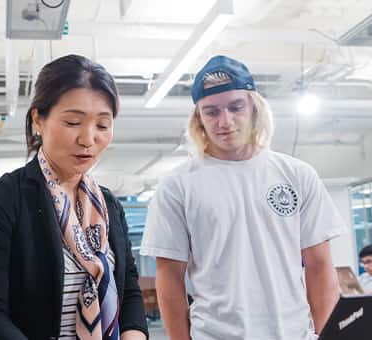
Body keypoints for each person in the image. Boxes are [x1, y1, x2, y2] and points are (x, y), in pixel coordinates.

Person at [140, 55, 344, 340]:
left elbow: (319, 266)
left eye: (236, 107)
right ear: (198, 118)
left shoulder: (297, 175)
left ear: (254, 109)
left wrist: (328, 336)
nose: (225, 121)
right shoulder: (178, 187)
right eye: (211, 112)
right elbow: (170, 277)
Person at [0, 54, 148, 340]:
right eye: (73, 122)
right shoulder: (2, 200)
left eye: (102, 125)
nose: (88, 139)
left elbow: (130, 291)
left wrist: (133, 334)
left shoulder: (109, 205)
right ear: (39, 119)